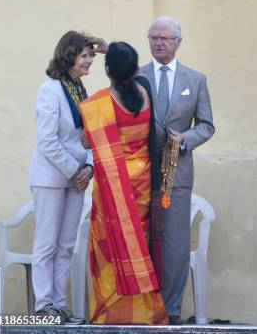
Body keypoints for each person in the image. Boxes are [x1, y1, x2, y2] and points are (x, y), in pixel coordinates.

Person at [79, 42, 168, 325]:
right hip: (143, 187)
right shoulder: (145, 91)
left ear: (107, 71)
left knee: (109, 249)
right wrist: (112, 49)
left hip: (114, 189)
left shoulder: (100, 103)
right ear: (134, 68)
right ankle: (144, 314)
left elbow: (85, 140)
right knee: (140, 249)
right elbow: (134, 70)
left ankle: (111, 315)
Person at [140, 16, 214, 324]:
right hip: (140, 171)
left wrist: (184, 140)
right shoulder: (136, 76)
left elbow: (207, 126)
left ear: (178, 43)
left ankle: (169, 312)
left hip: (177, 173)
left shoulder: (195, 80)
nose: (158, 42)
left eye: (165, 38)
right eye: (154, 37)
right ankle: (141, 310)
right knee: (140, 242)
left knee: (174, 246)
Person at [29, 31, 101, 323]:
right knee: (46, 243)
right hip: (51, 178)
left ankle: (58, 304)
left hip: (77, 178)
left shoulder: (79, 90)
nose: (88, 62)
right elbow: (47, 141)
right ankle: (43, 306)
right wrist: (75, 171)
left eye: (90, 57)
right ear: (68, 56)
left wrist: (89, 168)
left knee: (66, 245)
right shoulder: (50, 90)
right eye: (84, 56)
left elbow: (90, 138)